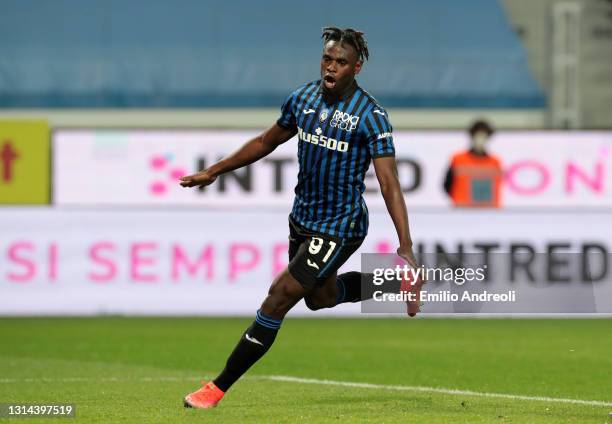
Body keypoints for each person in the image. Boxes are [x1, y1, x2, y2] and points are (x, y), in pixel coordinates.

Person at [179, 27, 420, 409]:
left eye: (341, 62)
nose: (331, 67)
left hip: (341, 226)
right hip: (303, 220)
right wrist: (215, 171)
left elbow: (389, 183)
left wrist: (405, 246)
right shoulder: (303, 98)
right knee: (319, 299)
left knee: (279, 296)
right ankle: (395, 283)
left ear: (356, 68)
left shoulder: (371, 116)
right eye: (327, 59)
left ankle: (217, 387)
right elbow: (265, 142)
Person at [443, 120, 503, 208]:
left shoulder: (495, 162)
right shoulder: (458, 159)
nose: (480, 139)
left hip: (489, 211)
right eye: (477, 135)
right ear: (472, 136)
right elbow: (447, 184)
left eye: (484, 136)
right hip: (463, 211)